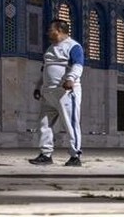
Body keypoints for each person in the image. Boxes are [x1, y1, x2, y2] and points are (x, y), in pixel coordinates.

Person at [28, 19, 84, 167]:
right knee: (44, 124)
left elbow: (78, 65)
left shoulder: (73, 46)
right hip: (48, 94)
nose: (48, 32)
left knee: (70, 124)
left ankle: (75, 156)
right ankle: (46, 154)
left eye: (50, 30)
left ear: (59, 30)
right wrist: (38, 86)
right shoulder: (50, 49)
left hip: (65, 93)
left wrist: (71, 79)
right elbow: (45, 70)